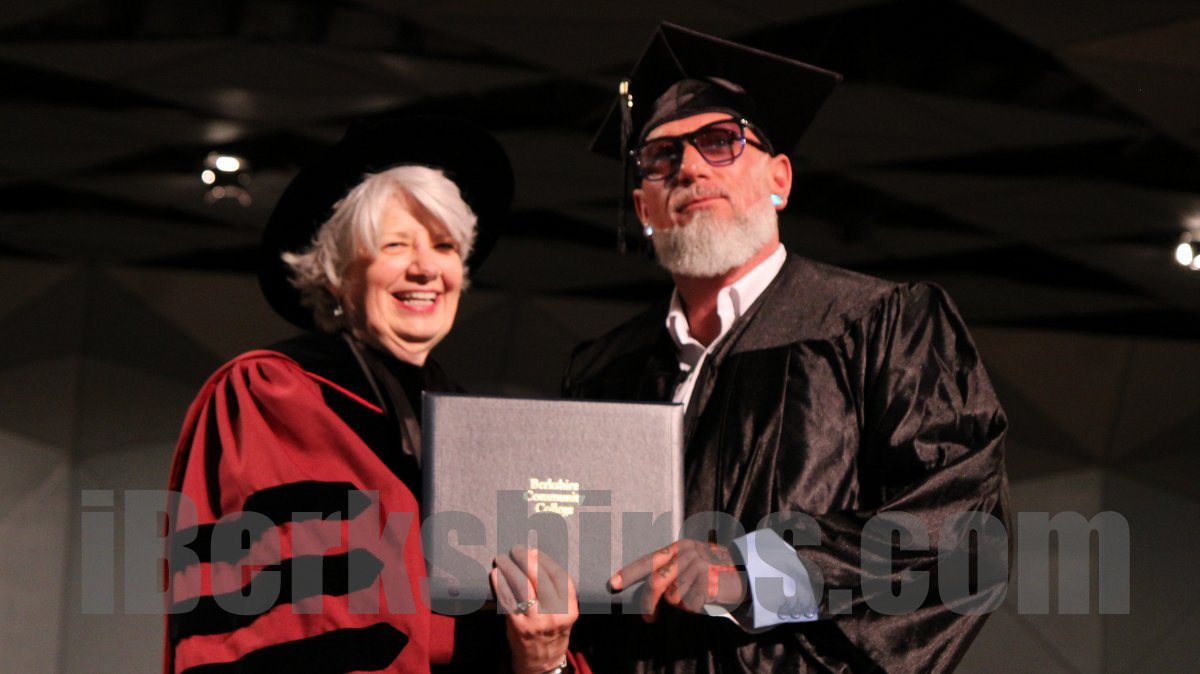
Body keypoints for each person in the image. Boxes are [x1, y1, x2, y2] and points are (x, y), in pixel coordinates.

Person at [563, 24, 1010, 672]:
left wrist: (750, 572)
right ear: (643, 208)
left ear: (780, 179)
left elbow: (961, 527)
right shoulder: (603, 372)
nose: (689, 168)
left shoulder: (881, 326)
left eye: (721, 142)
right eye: (660, 158)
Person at [165, 115, 585, 674]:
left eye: (444, 246)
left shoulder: (479, 433)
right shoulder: (275, 396)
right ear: (337, 274)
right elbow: (278, 633)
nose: (425, 268)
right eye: (395, 244)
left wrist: (542, 658)